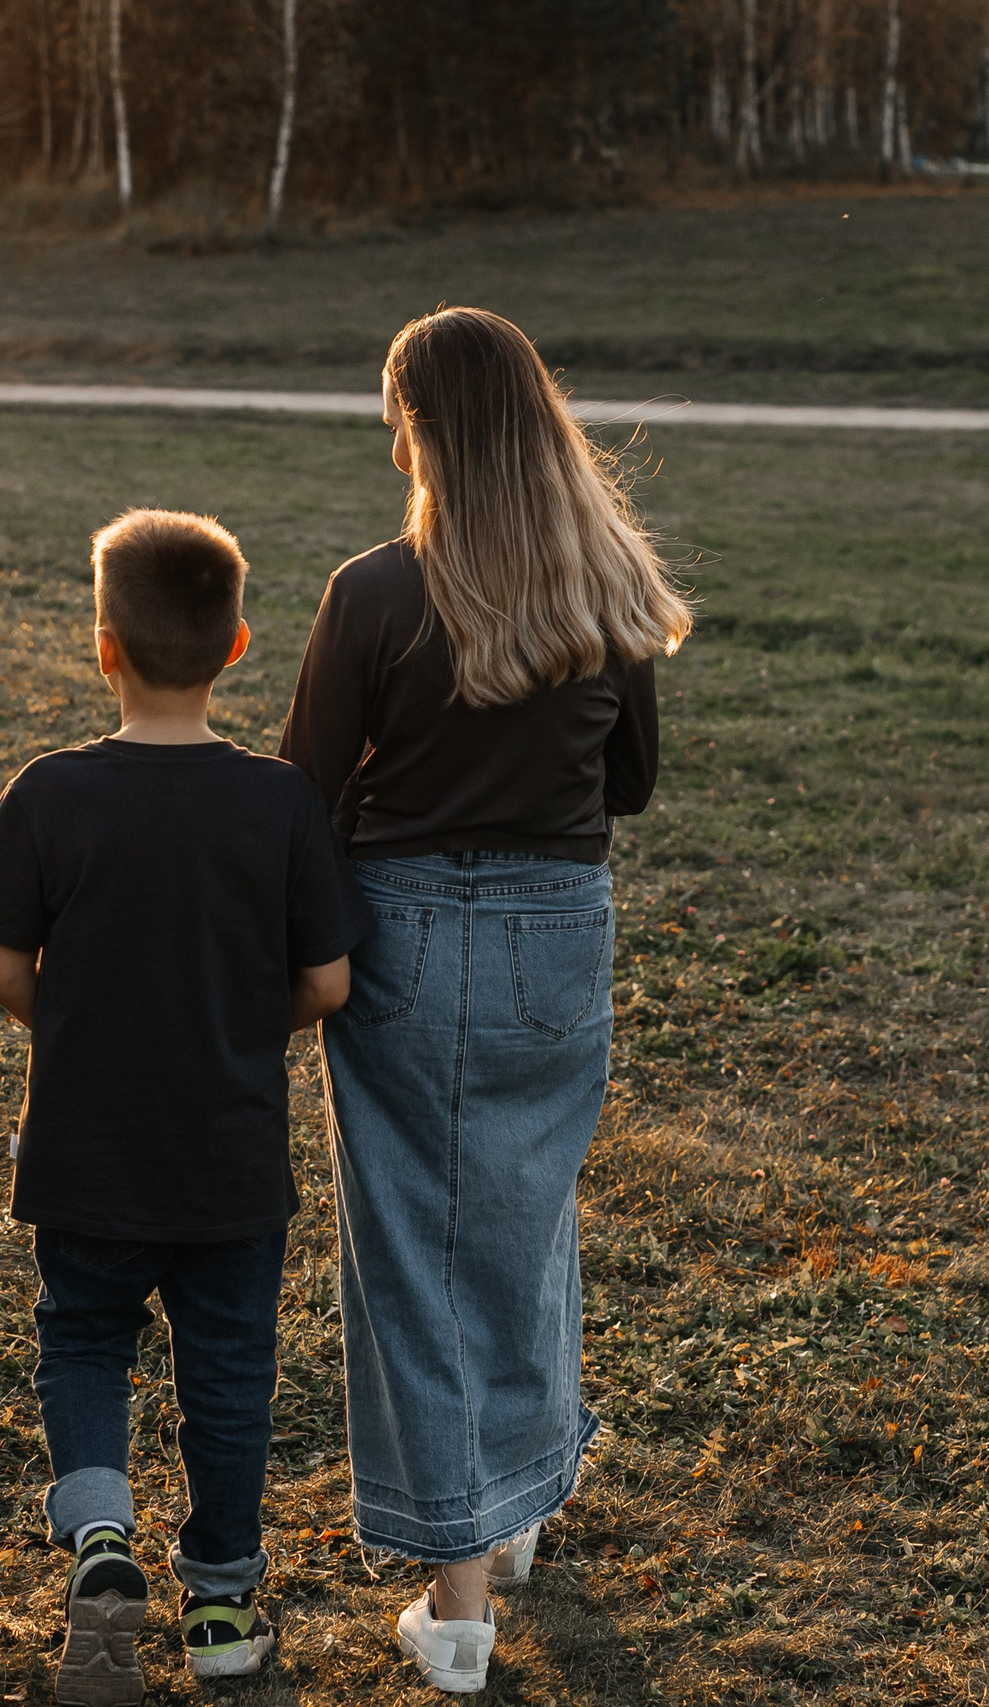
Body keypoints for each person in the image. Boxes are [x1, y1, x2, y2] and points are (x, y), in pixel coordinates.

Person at [279, 308, 689, 1695]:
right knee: (522, 1216)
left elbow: (303, 792)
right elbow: (630, 779)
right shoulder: (608, 577)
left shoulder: (377, 591)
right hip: (559, 927)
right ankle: (515, 1509)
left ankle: (455, 1610)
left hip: (411, 932)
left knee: (413, 1251)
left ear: (422, 427)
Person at [0, 510, 365, 1705]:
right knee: (228, 1368)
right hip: (228, 1155)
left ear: (102, 649)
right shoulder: (281, 804)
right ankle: (225, 1609)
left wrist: (85, 1029)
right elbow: (329, 983)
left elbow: (0, 966)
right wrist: (236, 1025)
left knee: (82, 1334)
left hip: (88, 1145)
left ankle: (98, 1543)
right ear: (238, 646)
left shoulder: (52, 793)